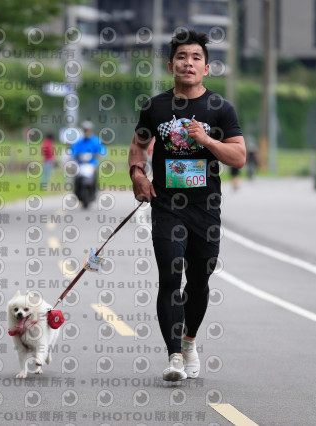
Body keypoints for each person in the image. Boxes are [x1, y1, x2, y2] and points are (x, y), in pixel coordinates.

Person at [128, 29, 246, 381]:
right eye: (182, 57)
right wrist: (137, 174)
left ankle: (190, 340)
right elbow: (138, 146)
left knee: (199, 279)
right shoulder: (155, 107)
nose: (189, 63)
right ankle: (174, 355)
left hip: (205, 208)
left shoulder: (219, 108)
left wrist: (206, 139)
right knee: (169, 274)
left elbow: (238, 156)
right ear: (171, 65)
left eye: (196, 57)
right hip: (166, 205)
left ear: (206, 68)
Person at [71, 120, 107, 201]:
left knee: (94, 175)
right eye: (85, 130)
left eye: (88, 130)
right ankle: (76, 191)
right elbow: (73, 150)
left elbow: (102, 149)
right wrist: (72, 155)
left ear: (91, 130)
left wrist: (100, 154)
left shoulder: (95, 140)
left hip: (91, 164)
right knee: (74, 175)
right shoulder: (79, 141)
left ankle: (94, 191)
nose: (86, 131)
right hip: (80, 164)